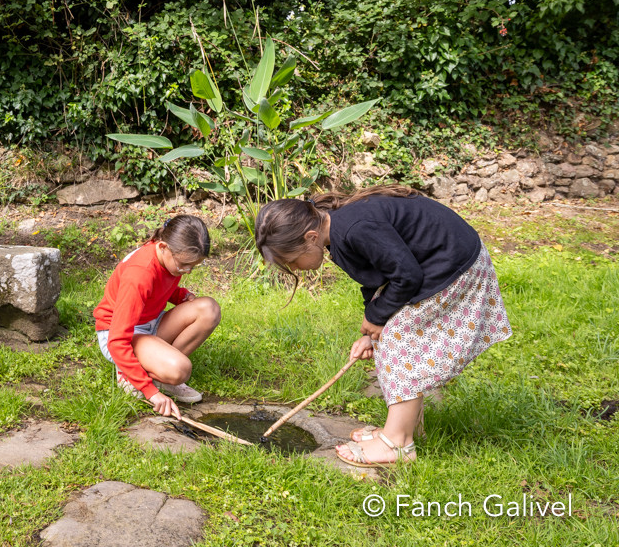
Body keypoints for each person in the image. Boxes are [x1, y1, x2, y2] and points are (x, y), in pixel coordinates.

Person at [255, 186, 512, 467]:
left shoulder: (356, 228)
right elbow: (380, 280)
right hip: (430, 264)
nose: (296, 269)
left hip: (452, 264)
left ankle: (397, 444)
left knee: (400, 339)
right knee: (389, 335)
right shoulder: (337, 230)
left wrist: (378, 321)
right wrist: (372, 329)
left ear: (311, 237)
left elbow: (407, 276)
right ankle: (406, 427)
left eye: (292, 261)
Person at [94, 215, 222, 420]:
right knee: (181, 369)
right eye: (184, 265)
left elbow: (160, 284)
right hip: (117, 334)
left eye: (193, 266)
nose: (187, 271)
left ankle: (160, 374)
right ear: (163, 247)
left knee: (209, 309)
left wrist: (180, 295)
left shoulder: (169, 255)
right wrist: (150, 393)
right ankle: (132, 376)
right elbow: (117, 340)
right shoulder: (139, 274)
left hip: (150, 323)